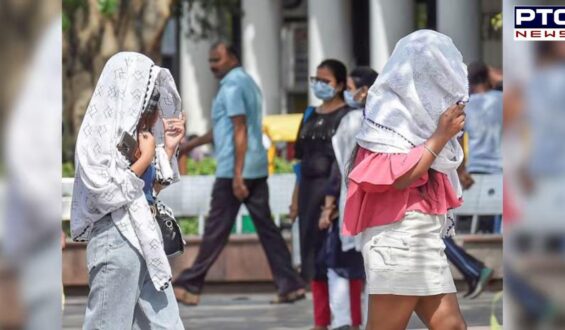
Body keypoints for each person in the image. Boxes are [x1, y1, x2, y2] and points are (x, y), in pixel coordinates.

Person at [343, 30, 468, 330]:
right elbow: (399, 176)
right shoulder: (387, 117)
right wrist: (440, 136)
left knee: (452, 327)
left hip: (419, 235)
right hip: (398, 238)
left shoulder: (421, 120)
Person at [173, 41, 305, 305]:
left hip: (236, 170)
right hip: (254, 167)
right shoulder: (247, 82)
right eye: (210, 61)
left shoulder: (232, 86)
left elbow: (239, 129)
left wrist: (237, 175)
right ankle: (290, 284)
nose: (212, 66)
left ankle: (190, 283)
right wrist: (190, 145)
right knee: (266, 228)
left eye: (216, 60)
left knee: (216, 229)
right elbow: (224, 127)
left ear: (232, 57)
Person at [70, 52, 185, 329]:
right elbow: (104, 194)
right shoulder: (95, 137)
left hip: (147, 239)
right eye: (150, 96)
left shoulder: (141, 136)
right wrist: (145, 160)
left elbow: (146, 192)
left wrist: (167, 149)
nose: (153, 105)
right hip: (115, 238)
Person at [289, 59, 364, 330]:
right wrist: (296, 198)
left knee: (340, 258)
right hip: (309, 193)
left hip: (334, 192)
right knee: (314, 260)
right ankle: (321, 321)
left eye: (326, 81)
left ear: (341, 85)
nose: (319, 85)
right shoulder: (309, 114)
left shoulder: (348, 116)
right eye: (316, 80)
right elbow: (300, 160)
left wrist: (331, 205)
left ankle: (352, 320)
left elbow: (341, 162)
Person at [328, 66, 378, 330]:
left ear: (364, 90)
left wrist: (329, 203)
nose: (346, 93)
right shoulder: (385, 118)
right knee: (375, 267)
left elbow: (340, 163)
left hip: (355, 198)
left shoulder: (352, 121)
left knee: (343, 264)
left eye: (349, 88)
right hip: (377, 201)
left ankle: (344, 321)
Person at [444, 61, 500, 299]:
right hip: (506, 171)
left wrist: (461, 169)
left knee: (465, 224)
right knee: (502, 226)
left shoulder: (466, 107)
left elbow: (457, 138)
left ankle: (477, 271)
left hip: (475, 174)